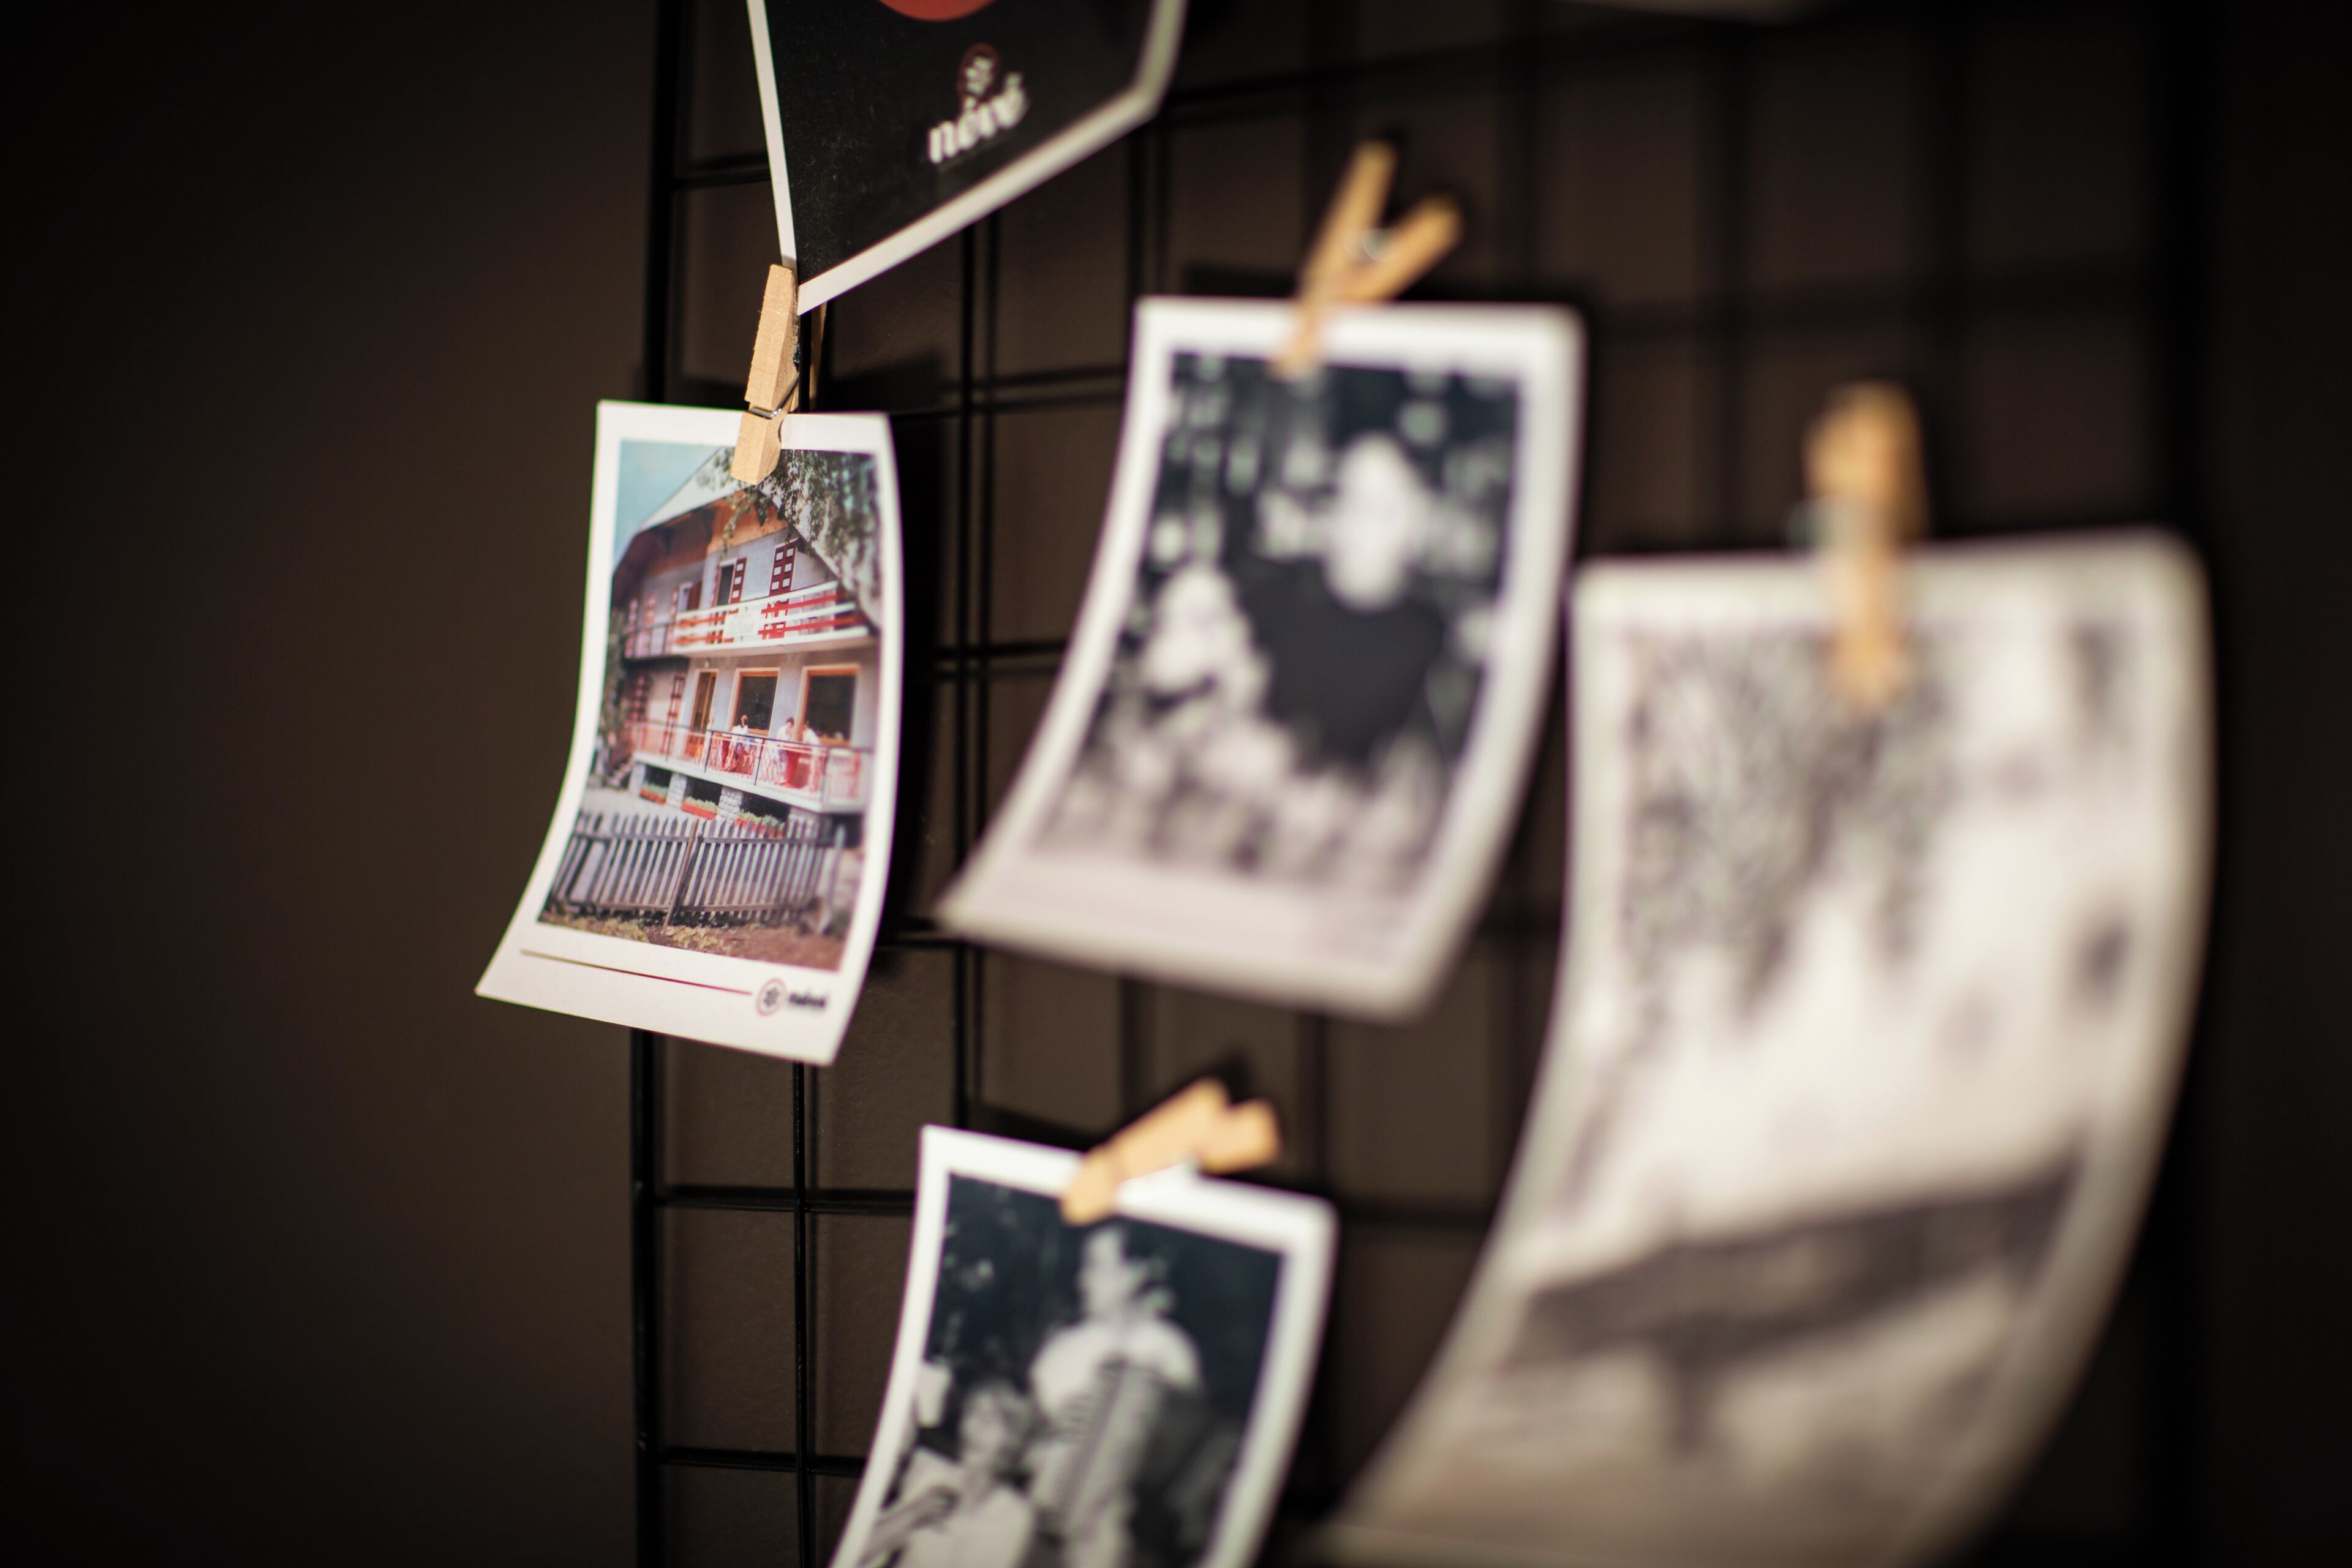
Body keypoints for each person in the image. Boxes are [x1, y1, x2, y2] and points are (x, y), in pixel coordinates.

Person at [1025, 1226, 1204, 1568]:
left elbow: (1182, 1457)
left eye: (1096, 1266)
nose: (1083, 1279)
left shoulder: (1169, 1351)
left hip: (1117, 1537)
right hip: (1040, 1522)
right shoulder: (1064, 1348)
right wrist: (1048, 1432)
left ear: (1136, 1274)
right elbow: (1021, 1443)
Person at [860, 1378, 1039, 1568]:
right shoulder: (931, 1475)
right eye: (972, 1412)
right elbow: (857, 1551)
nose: (974, 1427)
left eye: (990, 1420)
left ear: (1013, 1439)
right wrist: (913, 1513)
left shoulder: (1016, 1516)